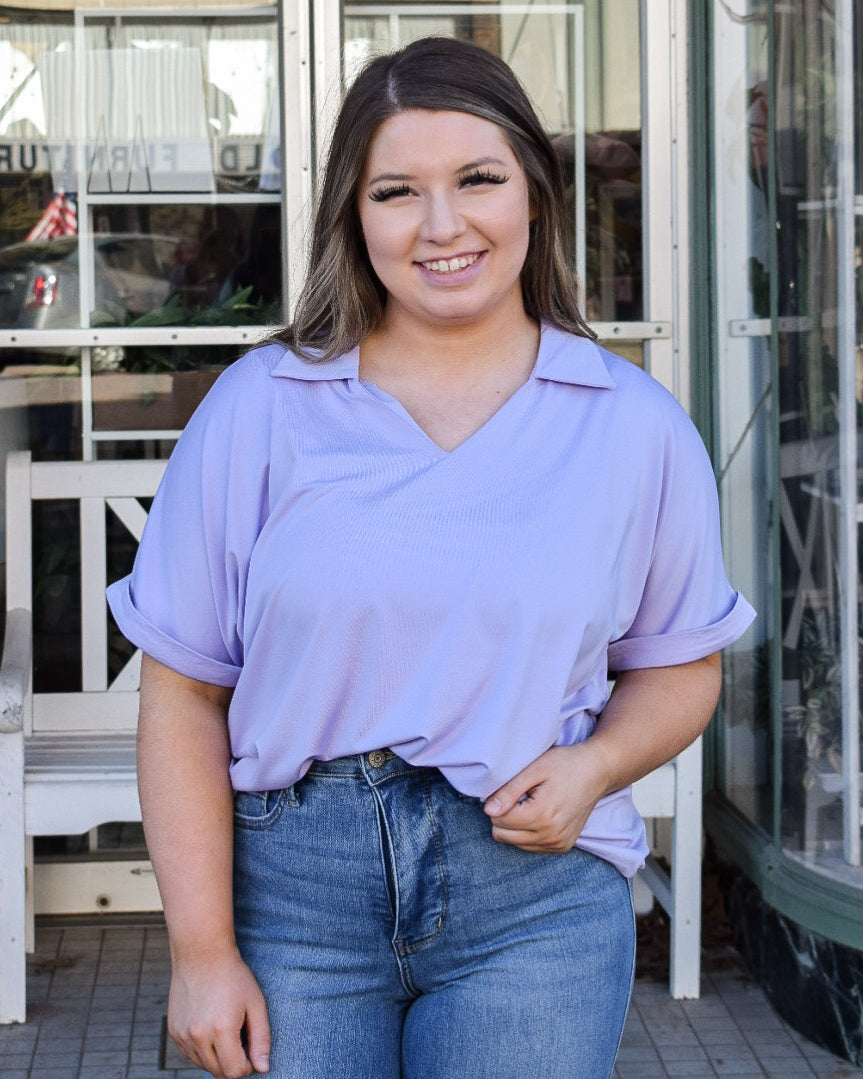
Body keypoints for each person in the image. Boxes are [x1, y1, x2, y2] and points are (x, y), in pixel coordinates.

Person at [107, 36, 755, 1079]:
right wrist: (199, 946)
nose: (441, 225)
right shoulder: (260, 409)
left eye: (478, 179)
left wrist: (594, 764)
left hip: (530, 900)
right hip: (291, 901)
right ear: (353, 217)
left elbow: (679, 664)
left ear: (534, 195)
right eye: (397, 190)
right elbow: (182, 693)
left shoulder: (631, 427)